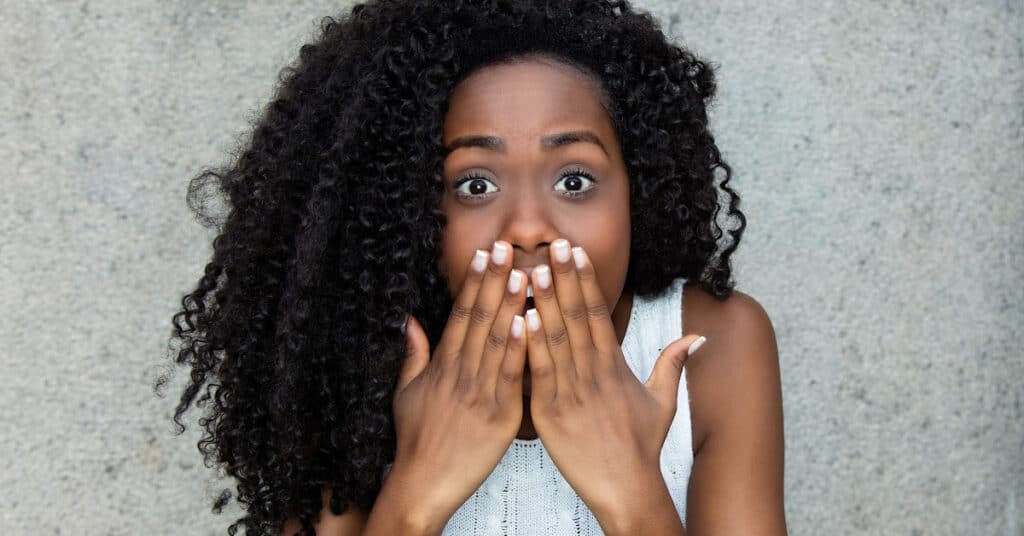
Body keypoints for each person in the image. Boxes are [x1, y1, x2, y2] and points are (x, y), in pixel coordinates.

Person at [163, 0, 786, 534]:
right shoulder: (357, 366)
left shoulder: (714, 347)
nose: (527, 227)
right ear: (406, 208)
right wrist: (417, 491)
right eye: (474, 186)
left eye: (574, 179)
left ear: (639, 191)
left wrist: (630, 489)